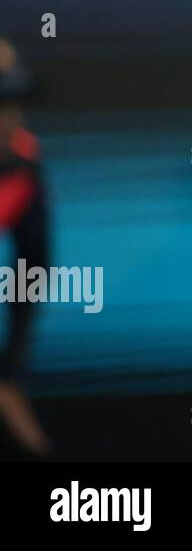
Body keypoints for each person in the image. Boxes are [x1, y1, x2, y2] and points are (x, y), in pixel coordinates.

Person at [0, 38, 53, 457]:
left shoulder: (25, 164)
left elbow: (34, 267)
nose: (9, 120)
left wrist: (11, 373)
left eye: (13, 101)